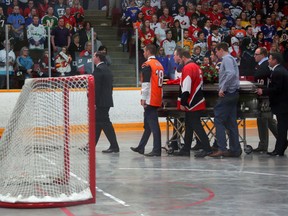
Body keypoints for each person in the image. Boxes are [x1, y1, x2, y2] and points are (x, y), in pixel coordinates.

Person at [172, 48, 213, 158]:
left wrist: (183, 102)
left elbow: (186, 88)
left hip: (192, 102)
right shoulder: (196, 67)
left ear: (183, 57)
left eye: (176, 55)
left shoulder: (188, 68)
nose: (175, 58)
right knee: (189, 125)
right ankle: (186, 148)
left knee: (196, 126)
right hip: (197, 100)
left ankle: (207, 148)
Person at [209, 42, 242, 158]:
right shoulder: (231, 58)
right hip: (233, 94)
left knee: (219, 120)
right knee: (231, 122)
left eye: (216, 51)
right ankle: (235, 149)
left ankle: (222, 148)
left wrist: (223, 88)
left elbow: (231, 73)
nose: (216, 54)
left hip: (228, 94)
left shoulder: (226, 59)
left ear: (221, 50)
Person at [130, 44, 163, 156]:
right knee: (149, 124)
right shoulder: (159, 64)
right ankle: (141, 147)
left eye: (144, 51)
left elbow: (146, 83)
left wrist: (143, 98)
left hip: (150, 97)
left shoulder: (147, 65)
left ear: (148, 51)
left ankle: (157, 149)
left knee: (153, 125)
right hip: (157, 96)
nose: (143, 53)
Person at [256, 52, 288, 156]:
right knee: (281, 127)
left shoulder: (278, 72)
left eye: (269, 59)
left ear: (275, 60)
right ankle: (280, 148)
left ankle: (279, 150)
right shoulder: (280, 70)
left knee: (282, 128)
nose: (268, 61)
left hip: (282, 104)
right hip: (283, 104)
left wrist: (263, 91)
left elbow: (276, 89)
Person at [92, 51, 120, 153]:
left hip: (100, 102)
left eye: (94, 56)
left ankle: (114, 146)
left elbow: (96, 88)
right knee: (98, 123)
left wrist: (93, 101)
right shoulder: (107, 69)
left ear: (98, 57)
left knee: (105, 123)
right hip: (106, 100)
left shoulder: (98, 70)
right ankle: (91, 145)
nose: (93, 58)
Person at [253, 47, 278, 153]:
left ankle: (263, 145)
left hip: (265, 97)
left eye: (256, 54)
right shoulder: (263, 65)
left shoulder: (265, 66)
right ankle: (282, 140)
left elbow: (259, 77)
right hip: (266, 96)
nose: (254, 56)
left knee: (263, 119)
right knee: (268, 120)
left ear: (262, 55)